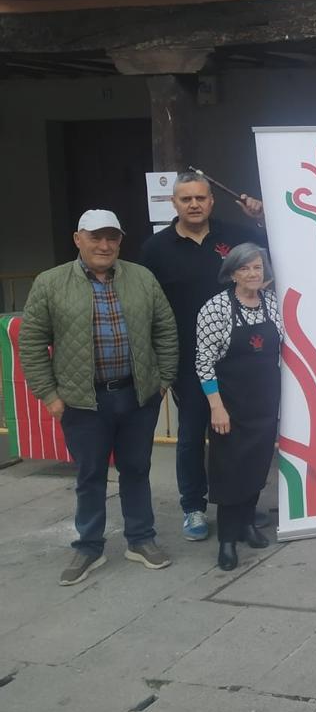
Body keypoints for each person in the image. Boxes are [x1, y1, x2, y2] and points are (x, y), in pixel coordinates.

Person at [21, 210, 178, 585]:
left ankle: (140, 539)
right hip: (82, 402)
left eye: (112, 237)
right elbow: (30, 343)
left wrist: (163, 381)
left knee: (137, 469)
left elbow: (166, 330)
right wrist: (51, 396)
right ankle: (89, 546)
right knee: (90, 474)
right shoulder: (50, 282)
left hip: (137, 396)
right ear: (78, 239)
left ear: (120, 241)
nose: (104, 245)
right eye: (96, 237)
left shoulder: (142, 278)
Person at [140, 170, 264, 542]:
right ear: (173, 202)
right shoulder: (155, 249)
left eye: (200, 198)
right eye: (185, 199)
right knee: (192, 436)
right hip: (187, 362)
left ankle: (238, 503)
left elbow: (278, 249)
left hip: (238, 360)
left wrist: (259, 217)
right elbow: (147, 308)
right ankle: (192, 506)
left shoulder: (235, 236)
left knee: (237, 436)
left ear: (211, 200)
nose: (193, 204)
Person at [194, 243, 283, 571]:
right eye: (244, 268)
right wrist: (216, 407)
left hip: (264, 403)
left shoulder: (273, 304)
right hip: (230, 407)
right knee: (229, 472)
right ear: (232, 273)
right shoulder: (215, 308)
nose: (252, 274)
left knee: (256, 468)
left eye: (257, 267)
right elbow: (203, 363)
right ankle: (227, 540)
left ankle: (247, 524)